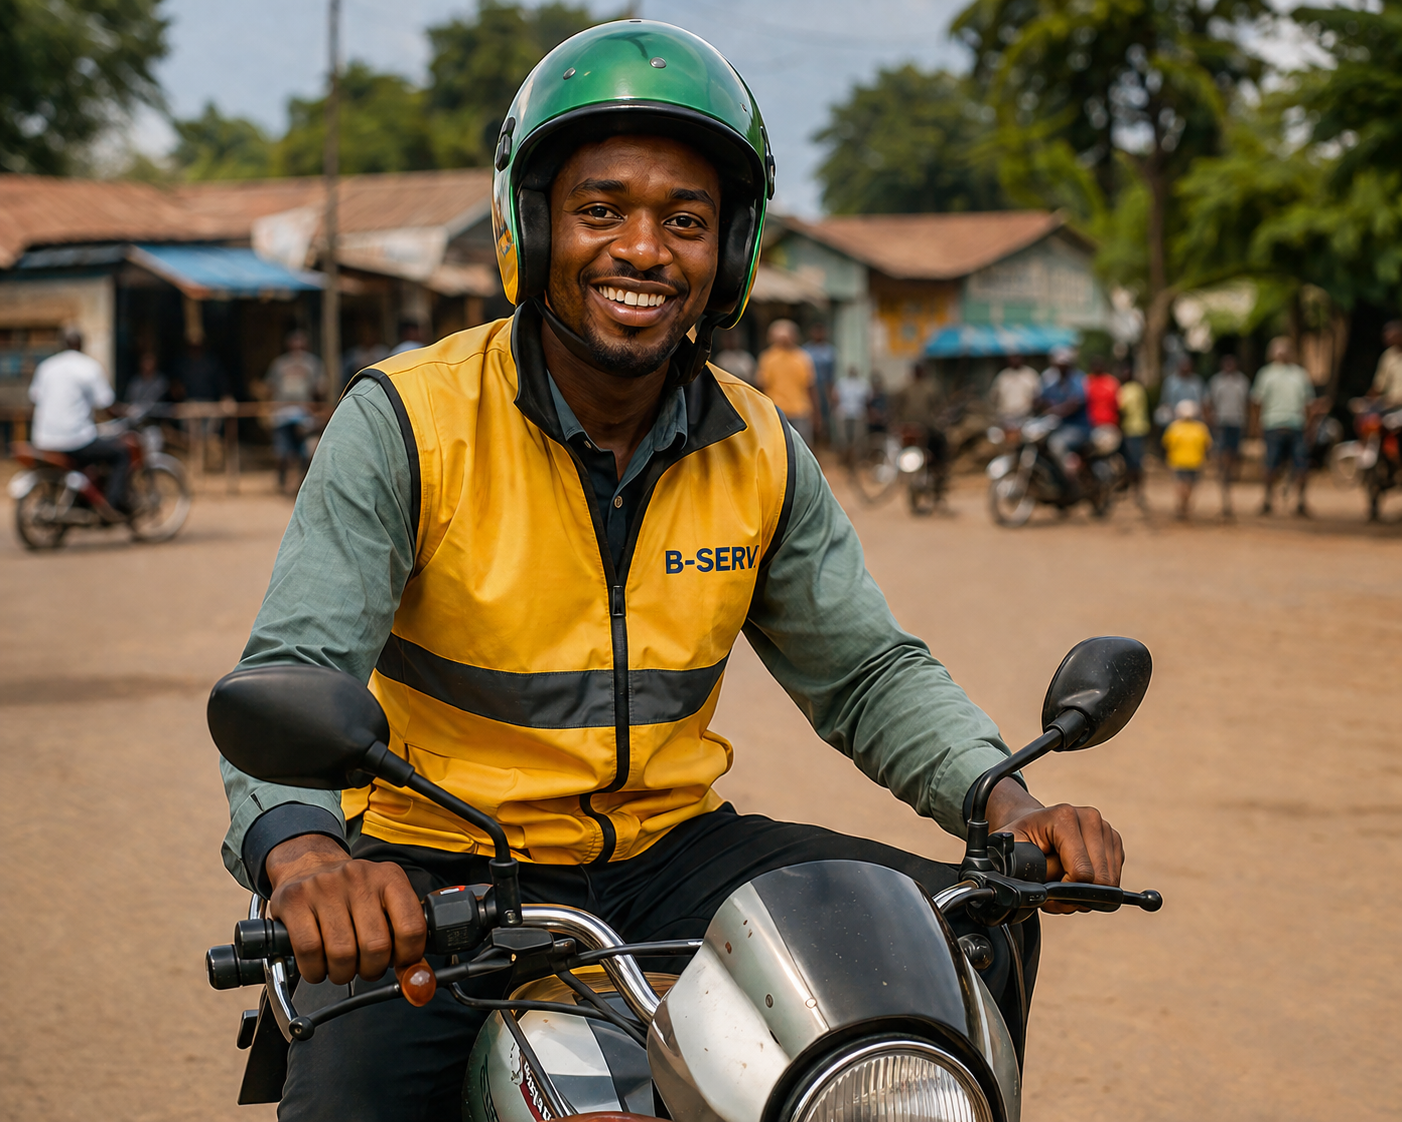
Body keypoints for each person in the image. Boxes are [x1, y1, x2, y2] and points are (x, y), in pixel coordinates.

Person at [216, 23, 1126, 1120]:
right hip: (434, 861)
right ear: (532, 223)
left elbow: (865, 672)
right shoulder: (409, 420)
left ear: (728, 251)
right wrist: (310, 858)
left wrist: (1004, 796)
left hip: (669, 849)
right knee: (350, 1098)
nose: (643, 250)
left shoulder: (758, 444)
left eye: (685, 221)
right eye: (602, 210)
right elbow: (295, 665)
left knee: (966, 930)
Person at [28, 330, 129, 515]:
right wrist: (126, 414)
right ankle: (113, 505)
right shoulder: (88, 366)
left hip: (43, 439)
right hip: (75, 440)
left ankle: (83, 499)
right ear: (81, 345)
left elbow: (34, 399)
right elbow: (107, 406)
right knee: (120, 453)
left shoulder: (46, 367)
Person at [1250, 336, 1316, 516]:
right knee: (1270, 465)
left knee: (1301, 466)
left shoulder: (1300, 374)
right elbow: (1257, 403)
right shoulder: (1265, 374)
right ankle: (1267, 500)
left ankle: (1301, 502)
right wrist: (1257, 425)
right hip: (1273, 424)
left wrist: (1310, 425)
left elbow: (1309, 403)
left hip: (1296, 425)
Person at [261, 330, 329, 492]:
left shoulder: (313, 364)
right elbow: (269, 387)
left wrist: (316, 407)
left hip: (305, 415)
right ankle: (282, 482)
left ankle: (303, 482)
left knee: (307, 451)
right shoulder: (280, 364)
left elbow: (320, 389)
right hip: (283, 414)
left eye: (301, 346)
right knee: (282, 452)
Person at [756, 318, 819, 446]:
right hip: (776, 411)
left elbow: (810, 386)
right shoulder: (768, 358)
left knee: (801, 447)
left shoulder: (802, 358)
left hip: (799, 411)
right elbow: (761, 386)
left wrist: (816, 413)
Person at [1206, 353, 1249, 517]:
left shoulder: (1242, 382)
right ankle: (1223, 474)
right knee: (1222, 452)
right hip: (1222, 422)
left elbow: (1247, 403)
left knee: (1235, 452)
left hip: (1237, 422)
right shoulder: (1216, 382)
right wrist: (1212, 421)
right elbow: (1210, 402)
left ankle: (1230, 473)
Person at [1161, 400, 1212, 520]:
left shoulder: (1174, 427)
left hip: (1178, 461)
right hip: (1195, 461)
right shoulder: (1200, 428)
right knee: (1191, 484)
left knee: (1181, 483)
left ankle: (1183, 504)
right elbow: (1207, 445)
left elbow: (1166, 444)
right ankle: (1185, 504)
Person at [1039, 346, 1089, 470]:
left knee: (1056, 444)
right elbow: (1043, 399)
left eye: (1063, 364)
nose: (1060, 367)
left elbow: (1076, 403)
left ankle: (1070, 475)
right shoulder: (1053, 382)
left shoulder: (1078, 380)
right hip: (1058, 426)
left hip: (1078, 428)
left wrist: (1056, 411)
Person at [1117, 364, 1150, 510]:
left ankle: (1137, 492)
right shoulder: (1129, 388)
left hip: (1133, 430)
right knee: (1127, 462)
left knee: (1135, 463)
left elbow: (1123, 408)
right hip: (1127, 429)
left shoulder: (1133, 389)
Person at [803, 320, 837, 439]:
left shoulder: (829, 351)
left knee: (825, 413)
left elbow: (831, 374)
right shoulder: (806, 351)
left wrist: (831, 391)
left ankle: (825, 439)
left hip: (824, 386)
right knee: (810, 413)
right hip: (809, 386)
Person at [989, 352, 1041, 424]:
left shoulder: (1030, 374)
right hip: (1006, 416)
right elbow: (994, 395)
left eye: (1017, 357)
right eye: (1013, 357)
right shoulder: (1003, 376)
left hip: (1025, 416)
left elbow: (1037, 395)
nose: (1015, 360)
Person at [830, 365, 869, 457]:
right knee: (843, 438)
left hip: (858, 413)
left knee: (857, 437)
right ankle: (844, 456)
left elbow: (868, 398)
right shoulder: (842, 383)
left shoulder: (862, 384)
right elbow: (835, 397)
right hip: (843, 412)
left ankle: (856, 457)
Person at [1157, 357, 1204, 429]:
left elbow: (1203, 401)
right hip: (1174, 421)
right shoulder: (1170, 382)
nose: (1185, 368)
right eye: (1183, 365)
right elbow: (1164, 401)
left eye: (1187, 365)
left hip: (1194, 422)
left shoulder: (1197, 382)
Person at [1368, 320, 1402, 410]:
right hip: (1390, 406)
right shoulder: (1388, 356)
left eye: (1390, 333)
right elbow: (1379, 386)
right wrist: (1367, 402)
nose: (1386, 336)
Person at [1083, 355, 1120, 429]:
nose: (1098, 367)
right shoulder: (1087, 381)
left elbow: (1118, 403)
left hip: (1110, 423)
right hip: (1091, 424)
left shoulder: (1111, 382)